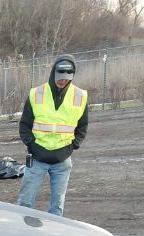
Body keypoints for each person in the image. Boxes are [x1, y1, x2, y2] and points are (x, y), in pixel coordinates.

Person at [16, 54, 88, 217]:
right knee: (24, 204)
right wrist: (32, 145)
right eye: (60, 77)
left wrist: (73, 145)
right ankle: (20, 235)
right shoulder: (37, 94)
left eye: (67, 77)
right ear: (53, 73)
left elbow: (82, 127)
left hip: (62, 160)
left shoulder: (80, 96)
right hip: (37, 158)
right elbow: (24, 126)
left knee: (57, 208)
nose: (63, 81)